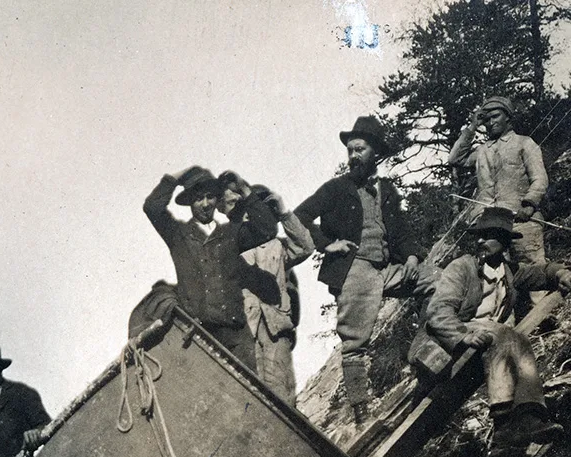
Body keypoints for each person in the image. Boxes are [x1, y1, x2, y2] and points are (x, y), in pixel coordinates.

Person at [295, 115, 423, 427]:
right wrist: (326, 244)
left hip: (388, 266)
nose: (353, 156)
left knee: (433, 280)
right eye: (350, 150)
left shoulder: (388, 190)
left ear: (375, 153)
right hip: (355, 268)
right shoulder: (336, 189)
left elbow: (401, 231)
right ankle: (361, 411)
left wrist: (412, 257)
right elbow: (299, 216)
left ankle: (430, 351)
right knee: (354, 341)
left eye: (360, 149)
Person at [410, 206, 571, 452]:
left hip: (487, 339)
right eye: (480, 236)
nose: (482, 241)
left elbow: (539, 272)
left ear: (504, 242)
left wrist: (560, 272)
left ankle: (529, 416)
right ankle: (505, 421)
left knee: (516, 340)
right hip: (447, 342)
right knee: (506, 334)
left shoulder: (507, 272)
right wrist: (464, 336)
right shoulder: (461, 267)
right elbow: (438, 313)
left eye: (489, 235)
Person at [141, 166, 278, 367]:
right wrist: (178, 178)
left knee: (247, 394)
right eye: (198, 198)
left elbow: (268, 229)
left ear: (216, 199)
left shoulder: (231, 233)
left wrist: (244, 189)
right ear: (189, 202)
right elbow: (152, 207)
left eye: (210, 197)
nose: (205, 204)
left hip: (236, 337)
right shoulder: (178, 235)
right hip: (198, 337)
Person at [217, 172, 314, 406]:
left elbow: (306, 246)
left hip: (275, 328)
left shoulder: (277, 247)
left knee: (283, 396)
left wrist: (284, 212)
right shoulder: (229, 246)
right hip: (244, 336)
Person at [448, 95, 548, 266]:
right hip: (488, 224)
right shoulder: (482, 150)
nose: (490, 122)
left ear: (508, 117)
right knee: (492, 277)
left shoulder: (524, 143)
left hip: (520, 221)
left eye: (495, 116)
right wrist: (472, 126)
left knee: (533, 273)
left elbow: (539, 178)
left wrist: (529, 205)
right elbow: (455, 159)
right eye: (486, 119)